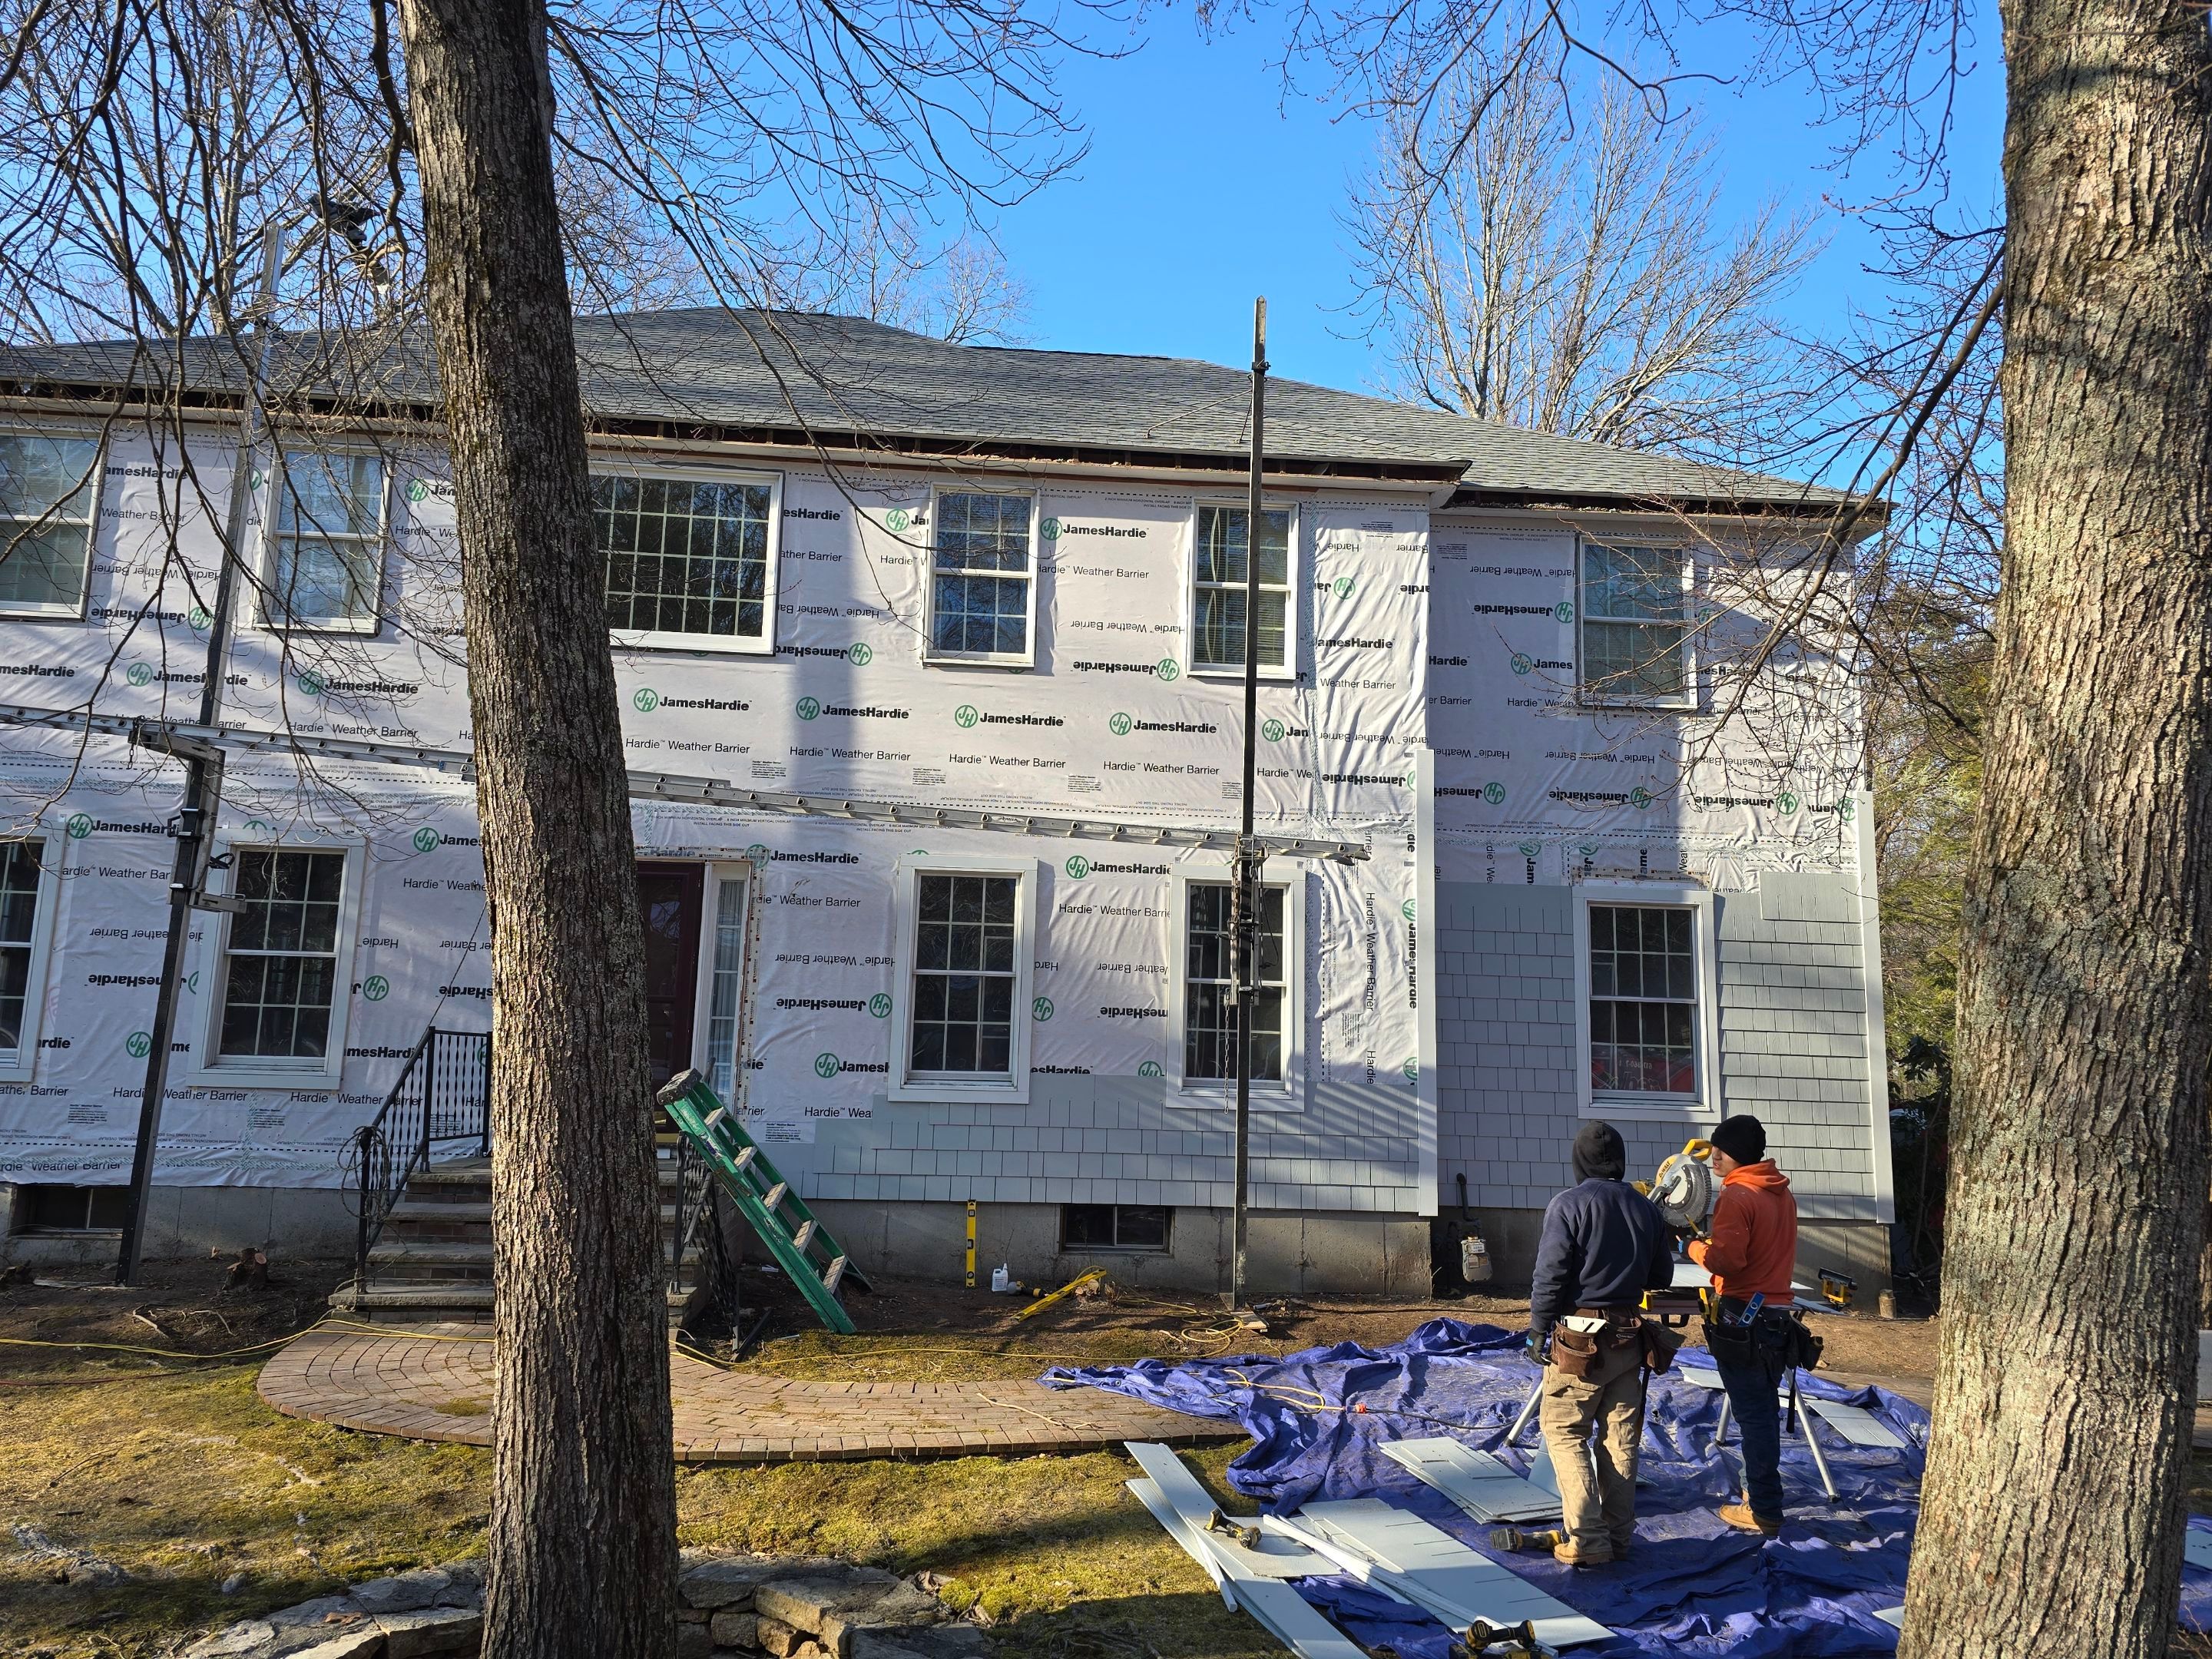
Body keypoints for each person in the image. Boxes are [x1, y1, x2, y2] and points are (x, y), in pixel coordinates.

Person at [1528, 1121, 1677, 1568]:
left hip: (1579, 1339)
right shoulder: (1646, 1209)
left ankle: (1588, 1539)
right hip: (1629, 1338)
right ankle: (1617, 1537)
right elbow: (1661, 1276)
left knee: (1565, 1432)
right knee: (1620, 1438)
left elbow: (1551, 1274)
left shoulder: (1568, 1205)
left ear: (1579, 1161)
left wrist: (1538, 1329)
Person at [1686, 1113, 1801, 1538]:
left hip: (1744, 1318)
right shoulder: (1780, 1194)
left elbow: (1728, 1261)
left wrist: (1693, 1247)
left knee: (1754, 1416)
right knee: (1763, 1411)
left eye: (1721, 1150)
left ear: (1738, 1154)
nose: (1714, 1157)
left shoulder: (1737, 1195)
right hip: (1775, 1316)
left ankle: (1763, 1507)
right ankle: (1762, 1497)